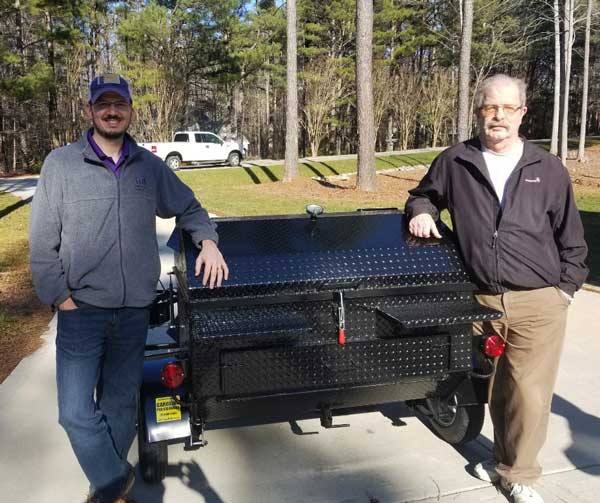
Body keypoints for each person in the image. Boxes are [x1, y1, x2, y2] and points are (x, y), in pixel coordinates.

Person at [29, 73, 229, 503]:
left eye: (119, 103)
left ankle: (107, 494)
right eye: (104, 104)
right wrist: (59, 297)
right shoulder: (61, 164)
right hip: (81, 310)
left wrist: (207, 241)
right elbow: (42, 240)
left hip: (135, 309)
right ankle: (114, 479)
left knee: (120, 407)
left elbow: (189, 207)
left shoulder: (150, 167)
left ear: (130, 110)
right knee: (75, 413)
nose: (112, 110)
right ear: (89, 110)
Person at [405, 74, 588, 503]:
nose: (498, 116)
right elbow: (423, 195)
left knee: (528, 391)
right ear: (478, 111)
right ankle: (502, 457)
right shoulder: (456, 161)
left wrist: (565, 289)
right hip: (480, 299)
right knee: (489, 386)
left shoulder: (548, 168)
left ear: (523, 112)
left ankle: (517, 473)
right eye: (490, 107)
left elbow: (572, 237)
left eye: (508, 107)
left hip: (539, 299)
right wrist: (421, 210)